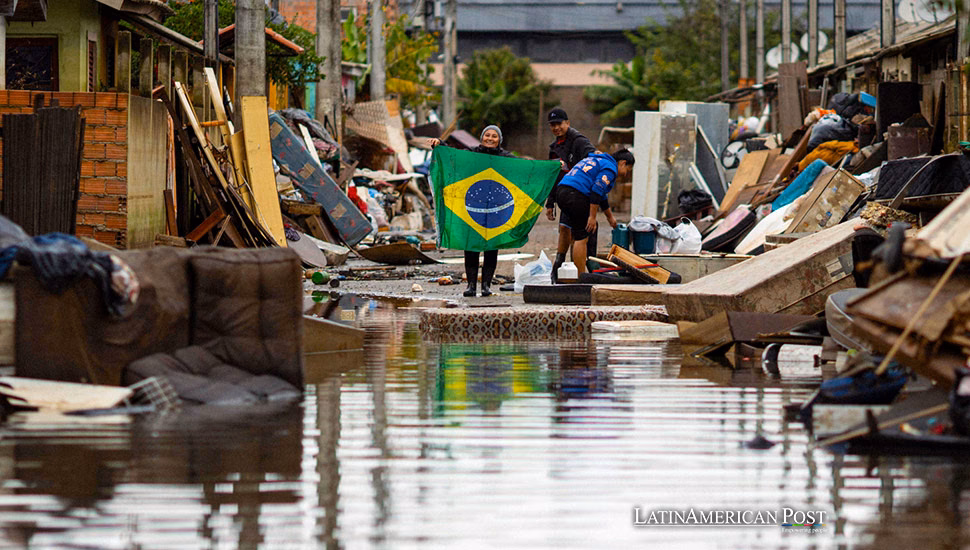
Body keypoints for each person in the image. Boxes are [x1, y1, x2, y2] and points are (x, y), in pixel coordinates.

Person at [429, 125, 512, 297]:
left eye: (494, 136)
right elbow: (454, 156)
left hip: (496, 209)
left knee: (491, 247)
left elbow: (527, 168)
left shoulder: (506, 158)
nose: (490, 138)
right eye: (487, 135)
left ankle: (486, 286)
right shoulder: (472, 153)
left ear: (499, 140)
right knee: (471, 246)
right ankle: (472, 286)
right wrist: (440, 144)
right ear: (482, 138)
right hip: (473, 206)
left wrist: (553, 166)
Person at [552, 149, 635, 280]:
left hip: (562, 191)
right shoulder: (611, 168)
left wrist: (610, 217)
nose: (625, 174)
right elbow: (596, 190)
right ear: (623, 163)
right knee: (582, 237)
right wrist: (592, 216)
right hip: (576, 195)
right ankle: (581, 279)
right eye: (628, 170)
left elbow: (601, 196)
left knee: (575, 233)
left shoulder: (598, 160)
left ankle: (568, 274)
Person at [543, 108, 596, 276]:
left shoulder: (579, 141)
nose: (556, 128)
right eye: (552, 125)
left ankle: (581, 273)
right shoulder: (554, 148)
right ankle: (559, 266)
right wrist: (550, 202)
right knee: (564, 229)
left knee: (579, 235)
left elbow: (593, 158)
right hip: (564, 196)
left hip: (580, 195)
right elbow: (553, 176)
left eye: (559, 124)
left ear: (568, 123)